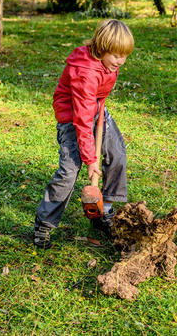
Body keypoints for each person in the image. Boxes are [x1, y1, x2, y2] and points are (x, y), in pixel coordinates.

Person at [33, 19, 133, 249]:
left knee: (117, 156)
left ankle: (102, 211)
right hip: (74, 118)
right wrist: (90, 160)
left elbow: (99, 96)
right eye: (116, 55)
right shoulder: (85, 72)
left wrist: (101, 108)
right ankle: (44, 224)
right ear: (101, 48)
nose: (120, 61)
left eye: (124, 55)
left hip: (96, 111)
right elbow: (82, 121)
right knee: (69, 172)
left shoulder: (107, 63)